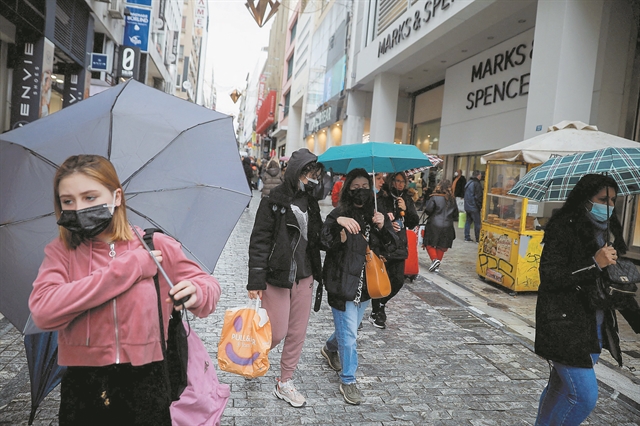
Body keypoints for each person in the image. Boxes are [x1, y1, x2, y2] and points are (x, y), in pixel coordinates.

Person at [28, 155, 220, 426]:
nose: (78, 208)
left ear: (117, 197)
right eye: (67, 201)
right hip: (84, 388)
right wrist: (129, 267)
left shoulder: (155, 245)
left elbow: (209, 286)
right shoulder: (62, 253)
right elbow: (44, 311)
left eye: (90, 197)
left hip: (147, 383)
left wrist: (197, 291)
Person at [534, 173, 640, 426]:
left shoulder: (606, 234)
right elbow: (551, 277)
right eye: (603, 199)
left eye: (613, 200)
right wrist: (594, 263)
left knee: (559, 389)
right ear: (585, 199)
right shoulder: (563, 228)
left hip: (593, 328)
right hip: (564, 326)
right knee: (583, 397)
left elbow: (613, 286)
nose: (609, 205)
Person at [247, 148, 324, 408]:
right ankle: (255, 354)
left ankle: (285, 381)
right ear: (296, 172)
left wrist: (341, 225)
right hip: (277, 277)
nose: (311, 178)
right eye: (307, 173)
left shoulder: (312, 203)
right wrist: (255, 282)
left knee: (297, 332)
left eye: (314, 174)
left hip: (305, 276)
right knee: (277, 332)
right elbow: (259, 240)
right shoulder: (274, 200)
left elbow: (319, 238)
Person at [319, 168, 397, 405]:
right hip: (342, 284)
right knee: (351, 333)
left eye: (365, 187)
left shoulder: (376, 215)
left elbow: (392, 248)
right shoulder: (338, 214)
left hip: (366, 288)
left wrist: (384, 227)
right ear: (347, 189)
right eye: (355, 188)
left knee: (348, 330)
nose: (360, 192)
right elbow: (323, 241)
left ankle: (329, 348)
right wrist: (337, 225)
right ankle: (349, 379)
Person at [369, 172, 419, 329]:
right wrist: (388, 222)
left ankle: (381, 305)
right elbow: (375, 219)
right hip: (384, 246)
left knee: (397, 281)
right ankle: (377, 311)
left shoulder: (405, 198)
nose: (400, 184)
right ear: (390, 181)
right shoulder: (380, 198)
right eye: (397, 181)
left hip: (399, 246)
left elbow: (413, 222)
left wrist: (406, 209)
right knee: (380, 279)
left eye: (403, 181)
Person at [422, 179, 458, 273]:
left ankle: (435, 260)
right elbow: (455, 215)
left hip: (434, 224)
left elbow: (428, 210)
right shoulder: (452, 199)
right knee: (442, 246)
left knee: (429, 243)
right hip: (448, 226)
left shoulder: (434, 197)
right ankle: (436, 265)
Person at [463, 170, 483, 243]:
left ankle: (467, 237)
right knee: (477, 223)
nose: (481, 176)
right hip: (474, 207)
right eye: (480, 175)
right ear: (478, 175)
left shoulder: (468, 182)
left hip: (467, 206)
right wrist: (480, 206)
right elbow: (478, 197)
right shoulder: (476, 184)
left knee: (468, 221)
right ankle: (478, 239)